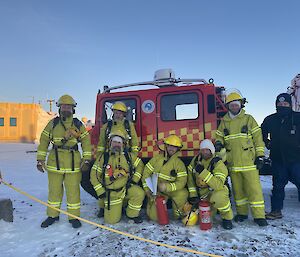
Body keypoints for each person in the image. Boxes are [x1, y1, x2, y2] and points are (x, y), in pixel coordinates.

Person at [37, 94, 92, 228]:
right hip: (54, 162)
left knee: (73, 191)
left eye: (68, 106)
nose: (66, 108)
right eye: (63, 106)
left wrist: (86, 160)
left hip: (73, 164)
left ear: (73, 109)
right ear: (59, 108)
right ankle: (52, 216)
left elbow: (86, 142)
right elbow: (44, 141)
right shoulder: (53, 123)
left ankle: (73, 218)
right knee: (54, 191)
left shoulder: (78, 124)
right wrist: (40, 160)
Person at [215, 90, 268, 226]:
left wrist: (260, 155)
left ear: (241, 105)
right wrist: (218, 142)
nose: (234, 107)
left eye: (236, 104)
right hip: (233, 164)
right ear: (228, 106)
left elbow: (258, 139)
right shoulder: (224, 122)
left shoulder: (249, 119)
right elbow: (219, 136)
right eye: (232, 105)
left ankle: (259, 216)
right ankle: (242, 213)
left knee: (254, 190)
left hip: (249, 163)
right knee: (238, 192)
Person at [90, 130, 145, 224]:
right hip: (111, 193)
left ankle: (132, 214)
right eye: (114, 142)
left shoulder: (128, 157)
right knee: (111, 221)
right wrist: (100, 191)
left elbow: (140, 165)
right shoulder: (103, 158)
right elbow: (93, 176)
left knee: (138, 193)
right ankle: (107, 206)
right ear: (110, 143)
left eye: (119, 142)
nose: (117, 144)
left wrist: (134, 180)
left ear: (123, 144)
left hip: (125, 189)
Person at [262, 93, 300, 220]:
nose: (282, 106)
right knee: (277, 186)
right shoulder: (270, 119)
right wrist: (267, 143)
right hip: (278, 159)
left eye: (285, 104)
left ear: (290, 105)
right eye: (280, 104)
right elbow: (261, 133)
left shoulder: (298, 117)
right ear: (276, 105)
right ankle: (276, 211)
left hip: (296, 159)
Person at [187, 139, 233, 229]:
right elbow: (190, 179)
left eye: (207, 150)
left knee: (219, 198)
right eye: (202, 150)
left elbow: (218, 185)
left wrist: (203, 172)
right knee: (199, 217)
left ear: (212, 150)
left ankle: (227, 218)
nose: (205, 152)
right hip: (202, 194)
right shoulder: (196, 160)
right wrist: (193, 195)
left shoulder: (218, 163)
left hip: (215, 192)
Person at [142, 134, 188, 222]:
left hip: (172, 191)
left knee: (182, 193)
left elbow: (182, 182)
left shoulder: (179, 164)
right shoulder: (156, 159)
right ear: (166, 146)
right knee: (154, 217)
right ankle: (151, 208)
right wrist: (147, 189)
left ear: (178, 149)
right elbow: (146, 174)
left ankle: (178, 215)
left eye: (174, 147)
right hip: (158, 192)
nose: (172, 148)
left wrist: (167, 187)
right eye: (170, 145)